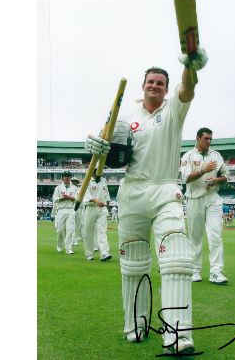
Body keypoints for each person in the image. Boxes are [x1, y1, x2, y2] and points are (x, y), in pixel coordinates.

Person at [85, 50, 207, 355]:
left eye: (160, 83)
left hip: (166, 189)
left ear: (166, 89)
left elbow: (188, 87)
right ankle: (136, 325)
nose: (155, 86)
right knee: (134, 262)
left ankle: (178, 334)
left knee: (177, 258)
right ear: (143, 86)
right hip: (133, 191)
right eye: (151, 82)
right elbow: (108, 157)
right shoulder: (124, 119)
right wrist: (97, 145)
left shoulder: (175, 110)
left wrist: (190, 68)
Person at [181, 127, 228, 284]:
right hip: (195, 198)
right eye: (205, 138)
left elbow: (225, 176)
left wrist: (216, 180)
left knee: (215, 234)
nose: (208, 141)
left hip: (212, 197)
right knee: (195, 236)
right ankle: (195, 270)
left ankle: (216, 272)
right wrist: (202, 171)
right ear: (198, 138)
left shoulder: (216, 155)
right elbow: (186, 178)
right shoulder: (188, 156)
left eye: (210, 139)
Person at [81, 169, 113, 262]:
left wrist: (107, 207)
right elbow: (86, 195)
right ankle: (89, 254)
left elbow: (107, 195)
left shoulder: (103, 181)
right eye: (98, 171)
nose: (100, 173)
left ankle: (104, 253)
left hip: (102, 209)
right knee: (88, 232)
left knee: (102, 231)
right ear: (93, 172)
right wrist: (97, 201)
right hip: (91, 208)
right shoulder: (87, 181)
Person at [52, 171, 77, 254]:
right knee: (60, 230)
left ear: (70, 178)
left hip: (70, 209)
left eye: (68, 176)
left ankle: (69, 248)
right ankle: (59, 245)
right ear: (62, 178)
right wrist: (62, 198)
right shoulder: (58, 187)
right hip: (61, 210)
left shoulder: (74, 188)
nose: (67, 178)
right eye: (65, 176)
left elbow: (78, 199)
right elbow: (54, 199)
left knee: (70, 230)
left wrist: (70, 198)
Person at [71, 177, 83, 245]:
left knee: (78, 224)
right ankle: (71, 239)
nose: (74, 183)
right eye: (73, 181)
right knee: (71, 224)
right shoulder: (69, 189)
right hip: (71, 208)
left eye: (75, 181)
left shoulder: (80, 189)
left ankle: (75, 239)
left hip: (79, 208)